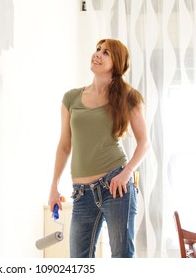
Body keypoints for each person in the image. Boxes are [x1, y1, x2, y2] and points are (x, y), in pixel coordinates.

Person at [48, 39, 150, 258]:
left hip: (115, 186)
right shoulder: (71, 98)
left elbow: (145, 142)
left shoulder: (127, 97)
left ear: (117, 64)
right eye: (97, 50)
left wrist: (127, 173)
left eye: (106, 53)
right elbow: (65, 145)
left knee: (121, 257)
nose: (97, 54)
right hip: (81, 193)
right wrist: (54, 186)